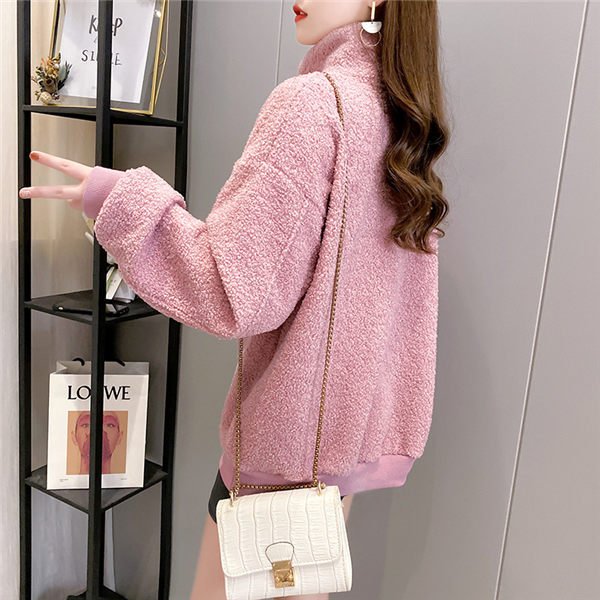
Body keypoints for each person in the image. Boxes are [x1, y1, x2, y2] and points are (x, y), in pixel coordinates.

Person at [18, 0, 449, 597]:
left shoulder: (314, 106)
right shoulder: (398, 116)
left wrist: (117, 200)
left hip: (281, 463)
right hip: (340, 458)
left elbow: (231, 286)